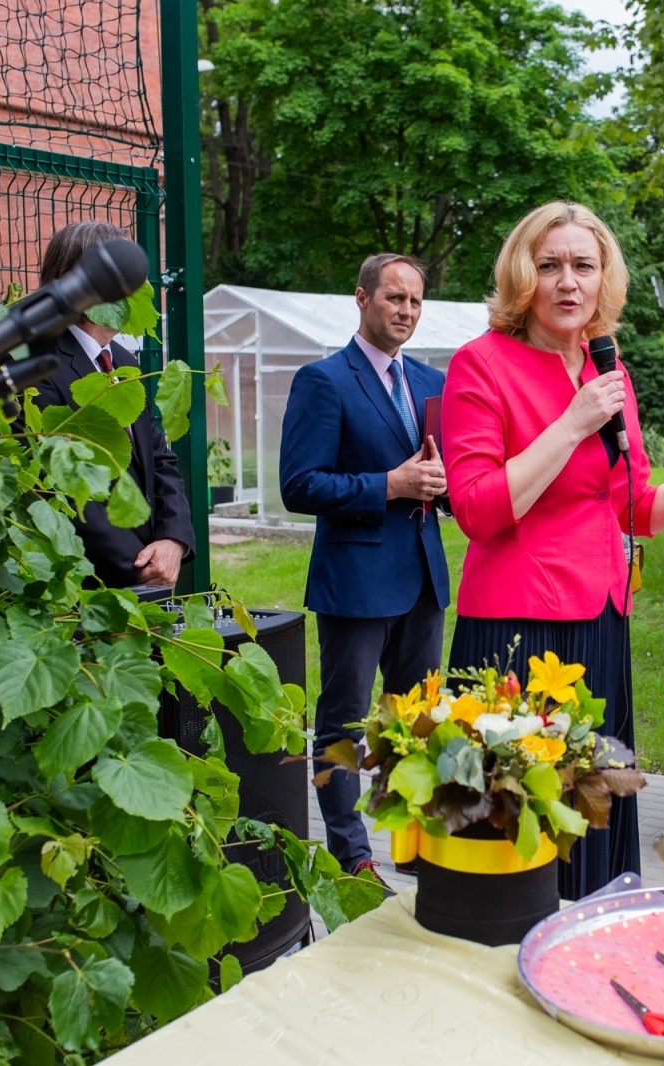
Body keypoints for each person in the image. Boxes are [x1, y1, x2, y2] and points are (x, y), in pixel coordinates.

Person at [442, 201, 664, 898]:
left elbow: (628, 505)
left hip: (601, 619)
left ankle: (587, 945)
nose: (568, 281)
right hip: (519, 626)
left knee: (593, 808)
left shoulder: (609, 373)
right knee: (521, 820)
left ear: (605, 280)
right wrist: (569, 425)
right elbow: (476, 510)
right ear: (521, 277)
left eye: (583, 265)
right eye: (550, 265)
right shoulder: (482, 365)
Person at [280, 253, 450, 881]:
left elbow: (444, 474)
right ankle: (350, 853)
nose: (405, 311)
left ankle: (412, 841)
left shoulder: (434, 381)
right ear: (362, 298)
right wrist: (389, 485)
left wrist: (447, 486)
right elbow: (300, 485)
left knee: (416, 722)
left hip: (423, 578)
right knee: (344, 722)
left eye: (414, 301)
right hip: (354, 582)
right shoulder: (323, 380)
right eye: (393, 298)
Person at [31, 220, 193, 589]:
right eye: (125, 273)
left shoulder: (123, 361)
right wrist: (138, 566)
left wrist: (173, 540)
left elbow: (159, 460)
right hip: (86, 585)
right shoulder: (37, 364)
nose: (139, 288)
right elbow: (56, 485)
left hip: (150, 573)